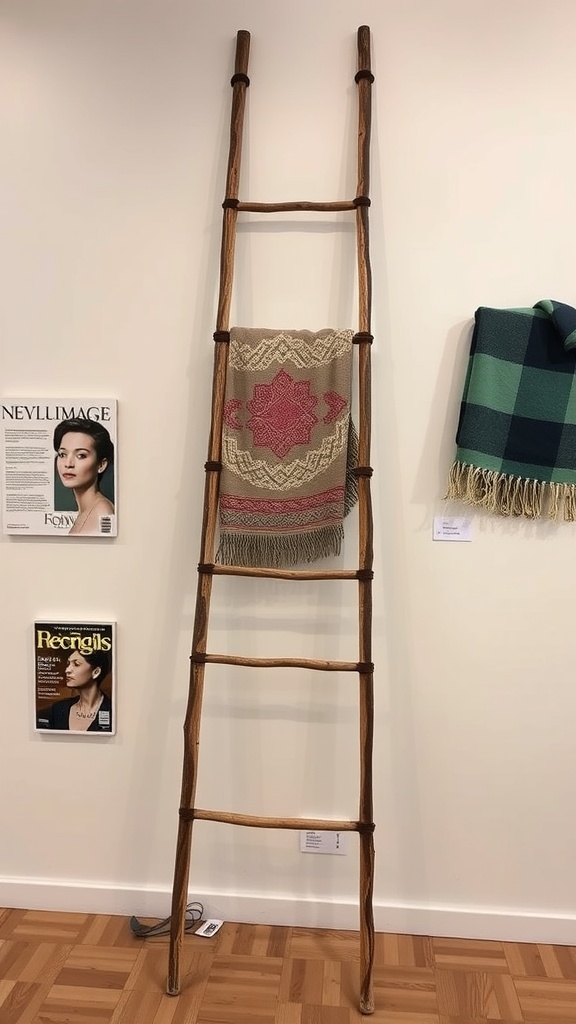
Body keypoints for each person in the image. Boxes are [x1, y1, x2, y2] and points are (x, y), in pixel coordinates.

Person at [53, 418, 114, 535]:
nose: (68, 464)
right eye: (62, 454)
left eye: (81, 455)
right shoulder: (86, 510)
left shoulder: (102, 512)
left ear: (101, 464)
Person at [37, 648, 113, 733]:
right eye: (68, 664)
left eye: (76, 664)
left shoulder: (113, 711)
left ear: (96, 672)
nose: (67, 670)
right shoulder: (57, 709)